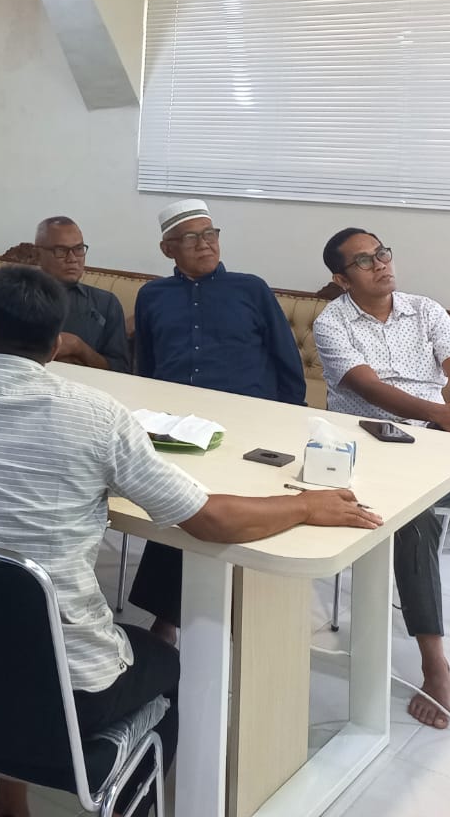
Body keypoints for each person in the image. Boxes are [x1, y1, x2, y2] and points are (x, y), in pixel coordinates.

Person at [0, 266, 379, 817]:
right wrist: (306, 504)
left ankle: (10, 802)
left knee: (0, 596)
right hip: (66, 683)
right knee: (172, 665)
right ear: (57, 344)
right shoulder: (94, 415)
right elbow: (208, 520)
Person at [313, 227, 450, 730]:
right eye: (364, 261)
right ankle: (434, 663)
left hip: (432, 438)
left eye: (382, 253)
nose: (380, 264)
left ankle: (432, 653)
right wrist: (444, 413)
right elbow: (368, 388)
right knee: (415, 520)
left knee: (420, 506)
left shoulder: (425, 310)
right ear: (342, 279)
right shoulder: (331, 322)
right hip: (367, 441)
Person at [128, 199, 306, 641]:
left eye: (211, 234)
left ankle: (232, 614)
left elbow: (287, 363)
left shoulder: (251, 289)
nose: (205, 244)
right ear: (168, 249)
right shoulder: (152, 296)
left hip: (248, 427)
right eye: (191, 238)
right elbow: (146, 365)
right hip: (177, 428)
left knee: (224, 509)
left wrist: (289, 423)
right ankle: (169, 619)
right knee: (179, 504)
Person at [32, 216, 130, 372]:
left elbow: (121, 370)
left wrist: (80, 349)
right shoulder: (15, 297)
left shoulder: (106, 303)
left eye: (78, 249)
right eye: (61, 251)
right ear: (37, 254)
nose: (72, 259)